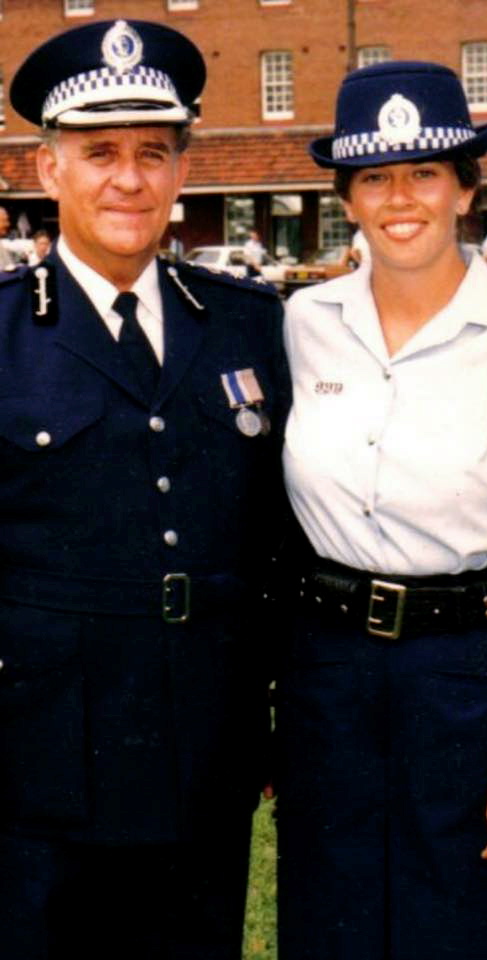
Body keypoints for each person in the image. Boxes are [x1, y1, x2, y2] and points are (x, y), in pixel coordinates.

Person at [1, 18, 288, 960]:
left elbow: (274, 539)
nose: (129, 178)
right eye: (100, 153)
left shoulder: (247, 327)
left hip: (204, 747)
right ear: (48, 172)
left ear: (179, 172)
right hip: (41, 757)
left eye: (153, 153)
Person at [274, 60, 487, 960]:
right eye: (374, 176)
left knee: (459, 924)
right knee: (328, 918)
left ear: (466, 189)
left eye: (424, 172)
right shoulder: (301, 324)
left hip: (467, 673)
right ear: (346, 196)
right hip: (326, 672)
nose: (401, 198)